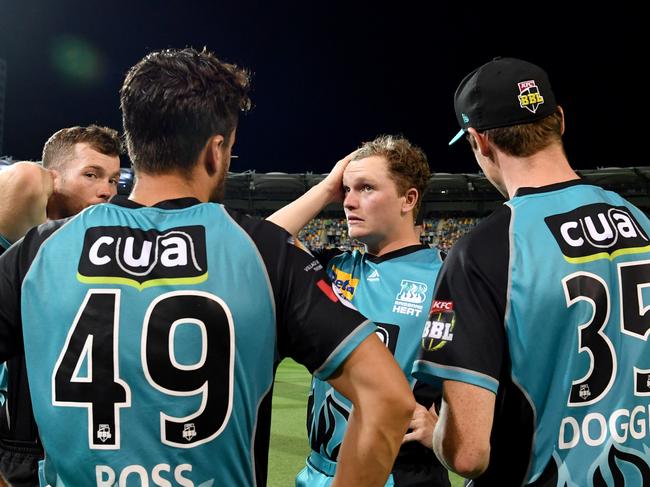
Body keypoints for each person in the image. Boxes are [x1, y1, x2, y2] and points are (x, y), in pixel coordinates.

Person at [0, 47, 414, 487]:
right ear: (217, 150)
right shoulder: (265, 251)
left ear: (135, 141)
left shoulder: (41, 250)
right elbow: (388, 398)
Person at [412, 56, 650, 485]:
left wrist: (436, 436)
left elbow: (468, 453)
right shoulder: (640, 221)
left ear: (478, 141)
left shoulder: (483, 251)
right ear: (559, 118)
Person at [268, 135, 449, 486]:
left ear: (408, 199)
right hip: (318, 472)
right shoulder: (334, 269)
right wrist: (325, 189)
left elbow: (477, 372)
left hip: (402, 474)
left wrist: (444, 430)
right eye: (345, 190)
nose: (349, 202)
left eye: (365, 188)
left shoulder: (445, 275)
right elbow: (264, 241)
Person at [0, 125, 121, 487]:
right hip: (16, 450)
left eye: (115, 180)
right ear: (53, 180)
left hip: (78, 454)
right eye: (91, 174)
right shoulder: (15, 253)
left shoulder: (104, 257)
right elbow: (27, 176)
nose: (107, 190)